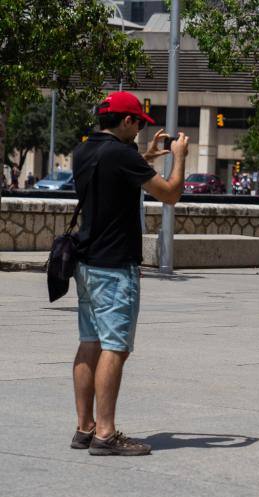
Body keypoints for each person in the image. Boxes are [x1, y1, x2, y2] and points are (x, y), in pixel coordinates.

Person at [70, 91, 189, 456]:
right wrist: (179, 159)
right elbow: (169, 195)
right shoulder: (121, 155)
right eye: (138, 122)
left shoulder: (84, 149)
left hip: (86, 263)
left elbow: (117, 167)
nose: (140, 128)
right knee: (115, 348)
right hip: (114, 267)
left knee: (89, 343)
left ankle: (85, 428)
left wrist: (148, 155)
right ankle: (106, 434)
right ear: (126, 121)